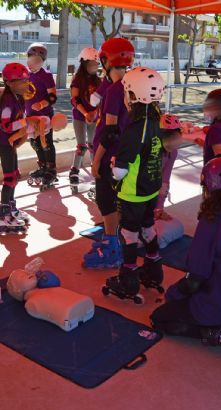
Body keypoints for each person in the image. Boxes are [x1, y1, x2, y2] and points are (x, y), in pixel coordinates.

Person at [150, 158, 221, 372]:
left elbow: (195, 279)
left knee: (160, 319)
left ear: (208, 187)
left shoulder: (212, 222)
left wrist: (173, 294)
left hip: (220, 304)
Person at [103, 66, 166, 300]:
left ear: (133, 96)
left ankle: (128, 280)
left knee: (129, 234)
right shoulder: (158, 120)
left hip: (132, 193)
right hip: (152, 188)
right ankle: (153, 271)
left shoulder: (134, 129)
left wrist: (111, 171)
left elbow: (120, 170)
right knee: (148, 228)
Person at [83, 38, 135, 269]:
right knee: (117, 200)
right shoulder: (131, 85)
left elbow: (110, 132)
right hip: (125, 155)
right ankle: (117, 241)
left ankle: (112, 247)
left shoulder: (116, 89)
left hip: (110, 155)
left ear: (106, 61)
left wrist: (96, 159)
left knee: (106, 202)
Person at [0, 63, 35, 233]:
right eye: (21, 81)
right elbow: (6, 125)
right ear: (9, 83)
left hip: (10, 143)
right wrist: (26, 123)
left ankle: (11, 208)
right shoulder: (8, 101)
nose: (25, 84)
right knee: (9, 178)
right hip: (4, 142)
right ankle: (3, 215)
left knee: (15, 175)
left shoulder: (18, 97)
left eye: (26, 80)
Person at [25, 43, 58, 190]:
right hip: (31, 117)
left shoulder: (46, 75)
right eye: (29, 61)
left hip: (44, 117)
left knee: (46, 143)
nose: (30, 65)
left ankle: (51, 170)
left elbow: (53, 97)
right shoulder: (27, 74)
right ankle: (43, 166)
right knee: (35, 143)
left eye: (34, 61)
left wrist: (42, 104)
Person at [69, 47, 102, 187]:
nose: (96, 67)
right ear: (84, 64)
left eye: (97, 64)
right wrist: (86, 113)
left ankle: (95, 170)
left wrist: (96, 112)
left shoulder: (98, 81)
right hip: (80, 116)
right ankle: (74, 170)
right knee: (82, 146)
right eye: (93, 64)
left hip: (94, 117)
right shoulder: (77, 79)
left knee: (94, 145)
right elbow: (74, 99)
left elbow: (102, 99)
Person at [154, 114, 183, 220]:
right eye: (168, 146)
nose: (171, 149)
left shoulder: (173, 152)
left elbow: (165, 180)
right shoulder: (150, 151)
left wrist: (159, 208)